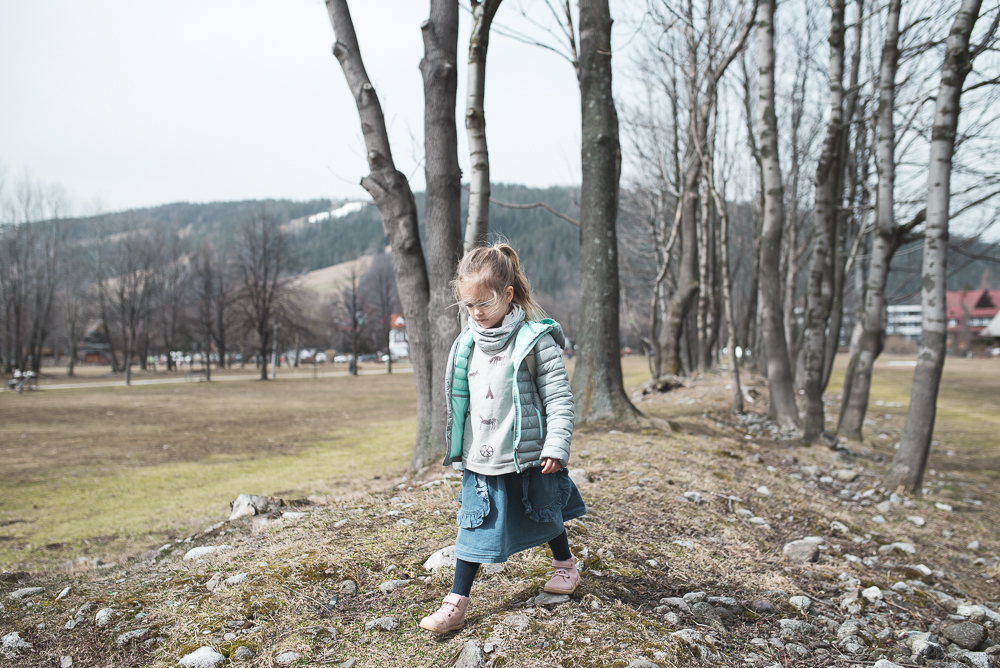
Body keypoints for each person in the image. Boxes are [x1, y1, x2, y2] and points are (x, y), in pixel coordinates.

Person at [419, 243, 587, 634]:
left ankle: (565, 566)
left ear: (508, 294)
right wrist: (458, 447)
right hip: (481, 456)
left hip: (528, 453)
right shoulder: (466, 343)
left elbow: (559, 398)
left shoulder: (535, 340)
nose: (476, 312)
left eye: (484, 302)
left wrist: (556, 446)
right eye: (469, 305)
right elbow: (461, 398)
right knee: (473, 526)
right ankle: (456, 603)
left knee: (544, 510)